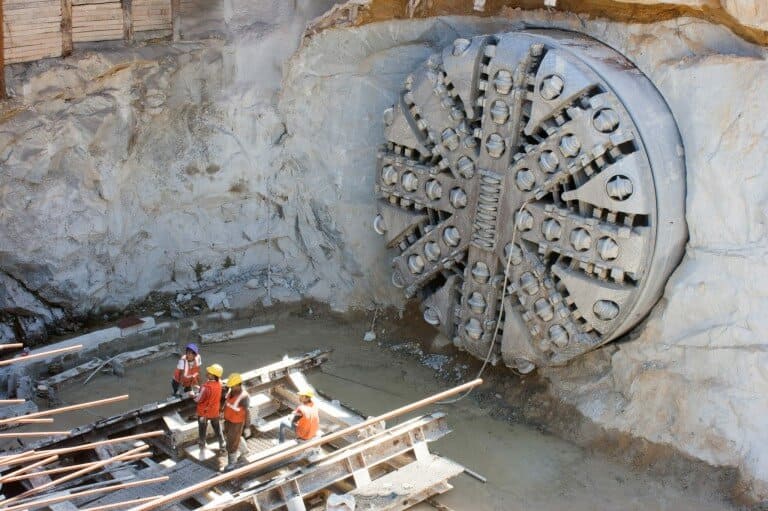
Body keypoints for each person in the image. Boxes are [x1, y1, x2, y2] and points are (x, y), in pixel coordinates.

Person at [194, 363, 225, 459]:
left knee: (202, 430)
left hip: (203, 413)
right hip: (214, 411)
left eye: (209, 372)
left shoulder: (206, 387)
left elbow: (198, 399)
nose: (207, 373)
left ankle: (202, 445)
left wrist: (194, 395)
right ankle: (222, 446)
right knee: (218, 430)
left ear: (213, 375)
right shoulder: (219, 384)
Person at [222, 373, 250, 470]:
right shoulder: (232, 391)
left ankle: (232, 463)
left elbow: (247, 413)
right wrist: (222, 412)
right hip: (228, 420)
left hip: (236, 423)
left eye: (232, 386)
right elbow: (227, 403)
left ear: (238, 384)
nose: (231, 387)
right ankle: (245, 451)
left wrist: (247, 427)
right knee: (233, 438)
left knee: (231, 443)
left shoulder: (244, 397)